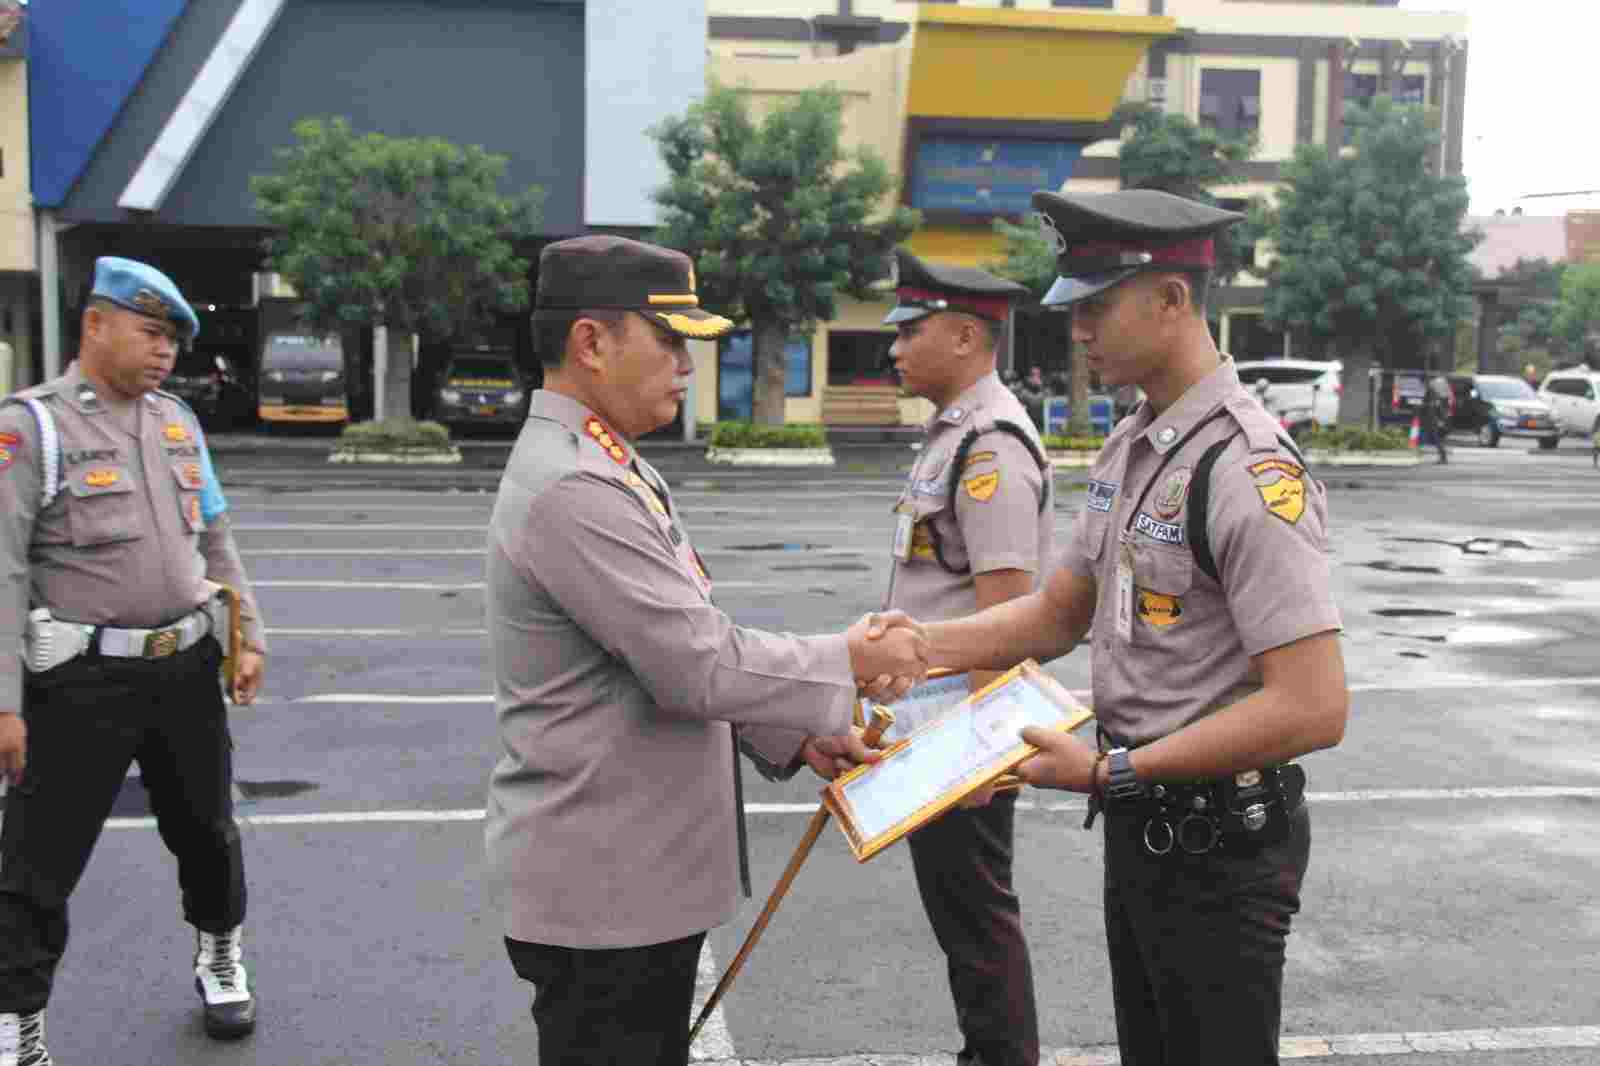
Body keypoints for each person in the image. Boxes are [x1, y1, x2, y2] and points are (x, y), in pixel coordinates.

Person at [879, 189, 1348, 1066]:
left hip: (1222, 842)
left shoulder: (1246, 466)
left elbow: (1314, 708)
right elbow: (1059, 613)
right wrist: (912, 647)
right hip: (1147, 826)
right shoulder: (1134, 444)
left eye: (1096, 306)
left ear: (1172, 301)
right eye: (1073, 307)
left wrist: (1106, 769)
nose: (1077, 328)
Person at [483, 235, 928, 1066]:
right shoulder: (575, 485)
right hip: (607, 893)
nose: (688, 364)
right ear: (590, 342)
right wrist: (850, 657)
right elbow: (695, 664)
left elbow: (655, 656)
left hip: (632, 884)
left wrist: (795, 735)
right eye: (670, 340)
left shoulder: (607, 465)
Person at [0, 257, 268, 1063]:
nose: (164, 354)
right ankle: (19, 1024)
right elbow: (4, 568)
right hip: (78, 681)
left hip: (185, 670)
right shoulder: (33, 427)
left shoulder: (177, 421)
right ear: (95, 324)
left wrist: (247, 633)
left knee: (208, 833)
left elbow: (213, 536)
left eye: (173, 341)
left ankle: (220, 953)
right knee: (37, 863)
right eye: (150, 333)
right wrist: (5, 702)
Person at [879, 249, 1047, 1066]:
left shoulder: (991, 445)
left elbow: (1008, 611)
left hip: (959, 733)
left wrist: (982, 754)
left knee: (977, 921)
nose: (895, 348)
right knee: (961, 919)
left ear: (968, 337)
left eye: (912, 331)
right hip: (929, 722)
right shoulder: (952, 434)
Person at [1422, 374, 1452, 464]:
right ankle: (1443, 457)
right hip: (1442, 417)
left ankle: (1443, 458)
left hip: (1437, 418)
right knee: (1441, 438)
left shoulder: (1432, 390)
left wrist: (1439, 419)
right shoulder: (1443, 390)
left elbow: (1428, 403)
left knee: (1438, 438)